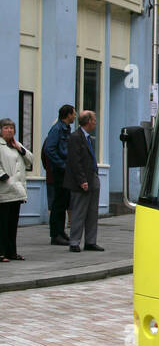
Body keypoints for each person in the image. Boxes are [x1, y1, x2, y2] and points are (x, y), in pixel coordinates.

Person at [64, 111, 103, 251]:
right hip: (81, 180)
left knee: (92, 212)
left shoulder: (90, 138)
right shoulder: (75, 137)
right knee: (79, 211)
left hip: (93, 176)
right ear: (88, 121)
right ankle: (74, 242)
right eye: (94, 120)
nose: (95, 122)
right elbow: (75, 161)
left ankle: (90, 241)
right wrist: (82, 180)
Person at [0, 119, 33, 261]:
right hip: (5, 189)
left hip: (17, 191)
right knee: (2, 224)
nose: (9, 130)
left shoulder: (16, 145)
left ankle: (11, 251)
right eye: (6, 128)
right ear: (1, 130)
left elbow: (30, 160)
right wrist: (4, 176)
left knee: (12, 224)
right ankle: (1, 252)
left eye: (12, 128)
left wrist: (20, 148)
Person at [43, 104, 76, 244]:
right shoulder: (57, 129)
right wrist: (61, 165)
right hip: (59, 172)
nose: (75, 116)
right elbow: (48, 149)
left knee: (63, 203)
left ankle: (61, 232)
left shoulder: (65, 129)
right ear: (68, 115)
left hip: (65, 171)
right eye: (73, 113)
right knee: (58, 203)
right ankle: (55, 235)